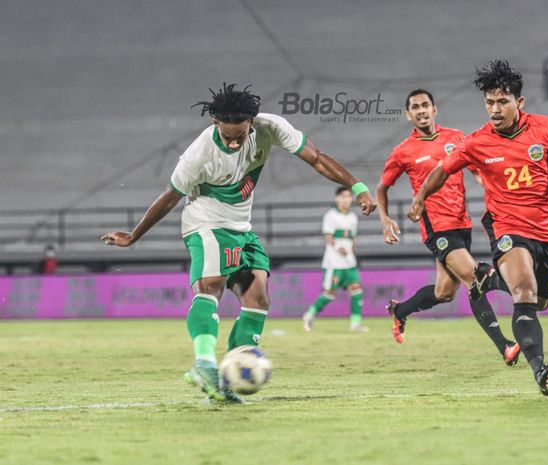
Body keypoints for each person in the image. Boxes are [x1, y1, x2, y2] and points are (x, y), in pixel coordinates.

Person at [101, 83, 376, 403]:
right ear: (215, 123)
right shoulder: (199, 152)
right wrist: (135, 235)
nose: (233, 142)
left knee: (258, 297)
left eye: (240, 135)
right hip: (205, 224)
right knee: (211, 284)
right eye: (227, 135)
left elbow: (316, 158)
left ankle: (226, 384)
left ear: (252, 123)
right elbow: (170, 197)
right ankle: (204, 364)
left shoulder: (270, 127)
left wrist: (357, 187)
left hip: (242, 227)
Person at [408, 60, 548, 395]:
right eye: (489, 103)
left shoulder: (546, 131)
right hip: (507, 227)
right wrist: (420, 198)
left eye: (502, 102)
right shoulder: (476, 142)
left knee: (541, 301)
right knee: (524, 293)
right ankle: (540, 369)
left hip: (547, 231)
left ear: (519, 102)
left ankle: (489, 278)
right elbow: (442, 169)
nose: (495, 110)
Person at [376, 88, 520, 366]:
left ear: (434, 108)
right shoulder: (403, 151)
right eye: (415, 107)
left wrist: (491, 184)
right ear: (409, 114)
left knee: (444, 292)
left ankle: (400, 310)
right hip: (436, 228)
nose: (421, 110)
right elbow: (383, 186)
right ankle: (505, 345)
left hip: (461, 224)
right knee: (474, 279)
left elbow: (477, 167)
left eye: (425, 105)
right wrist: (385, 219)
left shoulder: (455, 138)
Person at [303, 186, 367, 333]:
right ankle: (309, 314)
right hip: (334, 262)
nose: (346, 200)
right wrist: (339, 247)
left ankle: (355, 324)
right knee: (329, 294)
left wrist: (354, 255)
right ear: (337, 198)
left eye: (349, 197)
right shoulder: (330, 215)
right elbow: (328, 236)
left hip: (349, 262)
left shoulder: (353, 217)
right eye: (343, 197)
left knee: (356, 290)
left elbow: (353, 239)